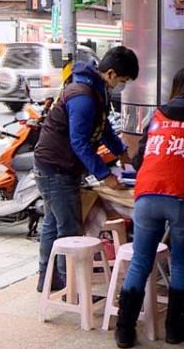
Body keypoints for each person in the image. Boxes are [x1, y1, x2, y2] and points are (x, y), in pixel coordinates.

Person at [116, 68, 184, 348]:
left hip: (147, 194)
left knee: (141, 260)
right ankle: (175, 329)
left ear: (177, 88)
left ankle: (124, 331)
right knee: (180, 262)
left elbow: (140, 160)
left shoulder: (157, 117)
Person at [32, 46, 138, 292]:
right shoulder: (83, 96)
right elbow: (79, 141)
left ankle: (47, 280)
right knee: (70, 229)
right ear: (110, 73)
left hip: (57, 165)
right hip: (56, 168)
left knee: (53, 223)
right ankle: (70, 286)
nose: (120, 86)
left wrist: (121, 152)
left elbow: (103, 129)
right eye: (121, 81)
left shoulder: (95, 90)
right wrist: (105, 175)